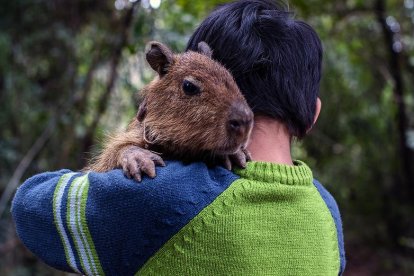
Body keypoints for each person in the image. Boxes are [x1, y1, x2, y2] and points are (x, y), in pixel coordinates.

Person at [11, 0, 345, 275]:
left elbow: (29, 207)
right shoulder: (328, 212)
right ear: (312, 114)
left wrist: (132, 144)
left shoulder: (163, 198)